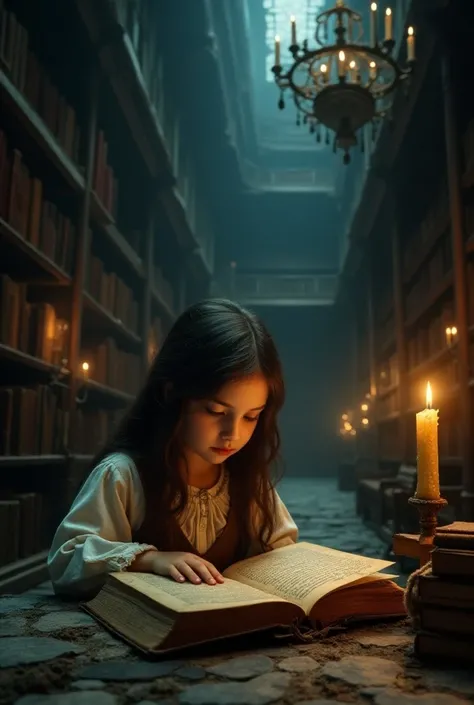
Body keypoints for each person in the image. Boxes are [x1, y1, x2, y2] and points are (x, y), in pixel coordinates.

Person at [48, 298, 298, 597]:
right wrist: (149, 559)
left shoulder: (247, 481)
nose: (233, 433)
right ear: (172, 393)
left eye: (251, 416)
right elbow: (66, 561)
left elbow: (284, 552)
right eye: (216, 412)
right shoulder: (125, 475)